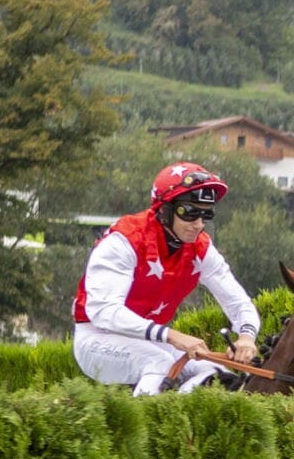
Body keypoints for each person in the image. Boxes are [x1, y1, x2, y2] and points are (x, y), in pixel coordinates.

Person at [73, 162, 262, 396]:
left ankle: (183, 424)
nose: (199, 224)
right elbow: (104, 312)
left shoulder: (201, 249)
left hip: (150, 341)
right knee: (159, 364)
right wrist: (172, 336)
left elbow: (238, 302)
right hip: (96, 338)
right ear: (164, 209)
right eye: (189, 213)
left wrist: (246, 337)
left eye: (206, 214)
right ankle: (149, 428)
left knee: (215, 371)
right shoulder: (124, 241)